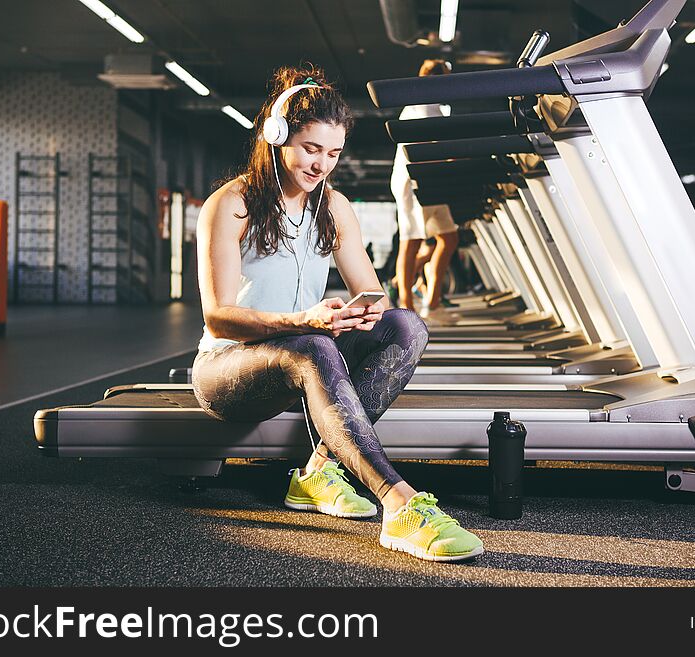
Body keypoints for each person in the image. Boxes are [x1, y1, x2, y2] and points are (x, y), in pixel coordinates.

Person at [191, 65, 483, 563]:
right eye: (311, 149)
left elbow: (372, 291)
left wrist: (364, 313)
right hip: (227, 369)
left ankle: (318, 472)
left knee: (406, 326)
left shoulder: (334, 207)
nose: (322, 164)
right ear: (277, 138)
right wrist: (305, 320)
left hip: (306, 346)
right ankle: (399, 502)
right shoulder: (232, 204)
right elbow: (220, 317)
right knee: (313, 344)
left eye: (333, 153)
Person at [390, 59, 460, 321]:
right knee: (412, 241)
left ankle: (433, 301)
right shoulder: (420, 107)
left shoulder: (436, 106)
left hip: (430, 180)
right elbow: (432, 149)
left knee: (449, 237)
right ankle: (406, 307)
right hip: (413, 182)